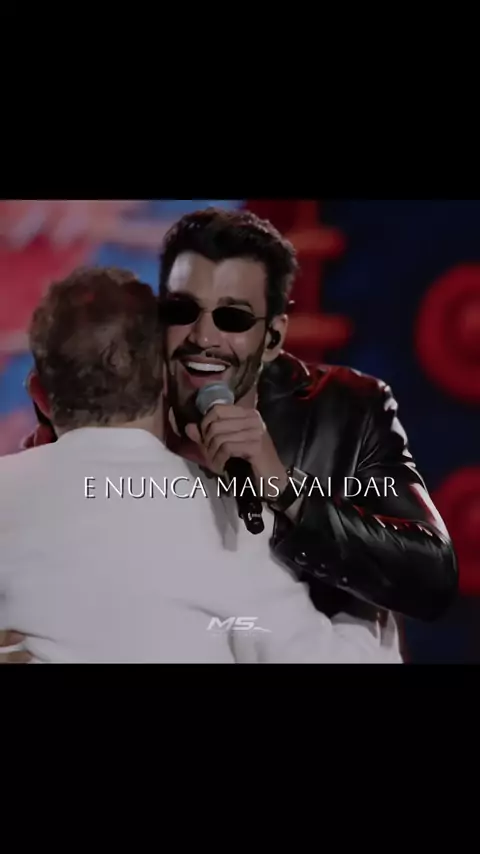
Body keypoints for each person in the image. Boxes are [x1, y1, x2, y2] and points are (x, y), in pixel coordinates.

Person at [1, 207, 458, 659]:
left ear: (272, 338)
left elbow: (430, 579)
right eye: (183, 310)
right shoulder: (107, 413)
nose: (203, 337)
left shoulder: (342, 410)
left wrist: (286, 492)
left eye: (233, 318)